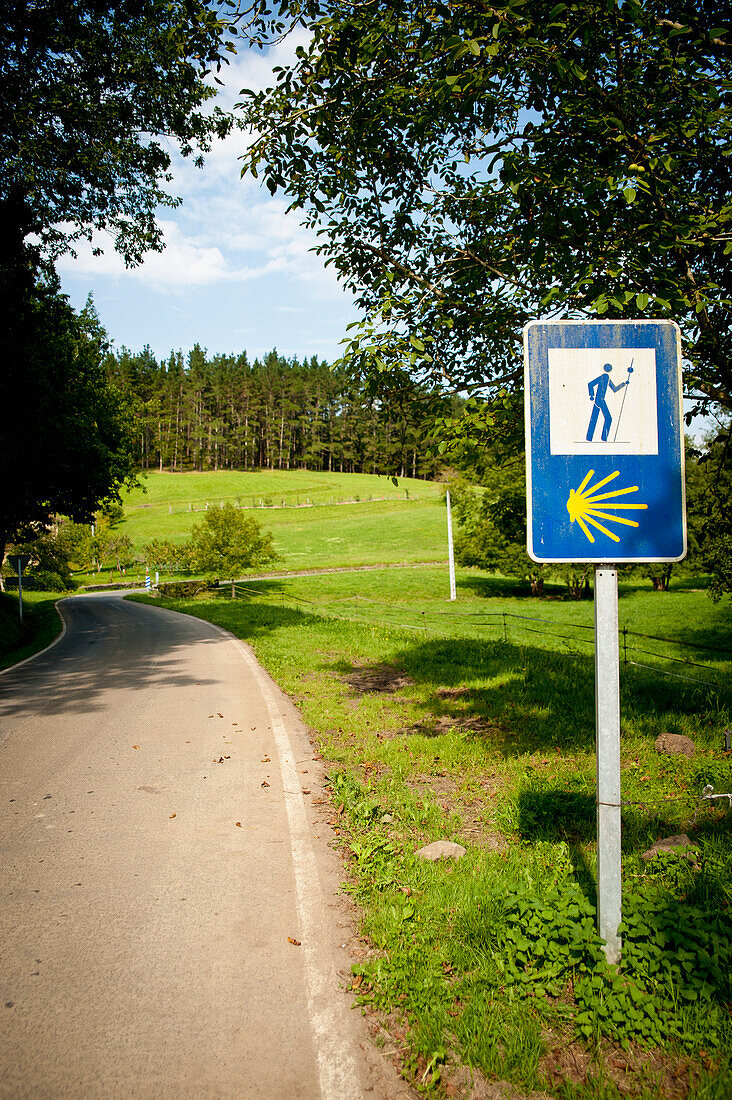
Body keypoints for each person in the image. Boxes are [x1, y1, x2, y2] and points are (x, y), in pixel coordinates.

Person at [586, 363, 627, 442]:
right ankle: (603, 438)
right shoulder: (604, 376)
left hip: (599, 400)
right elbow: (590, 384)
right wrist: (591, 395)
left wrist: (624, 384)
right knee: (608, 418)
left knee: (594, 418)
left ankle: (589, 438)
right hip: (600, 400)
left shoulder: (607, 377)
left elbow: (614, 389)